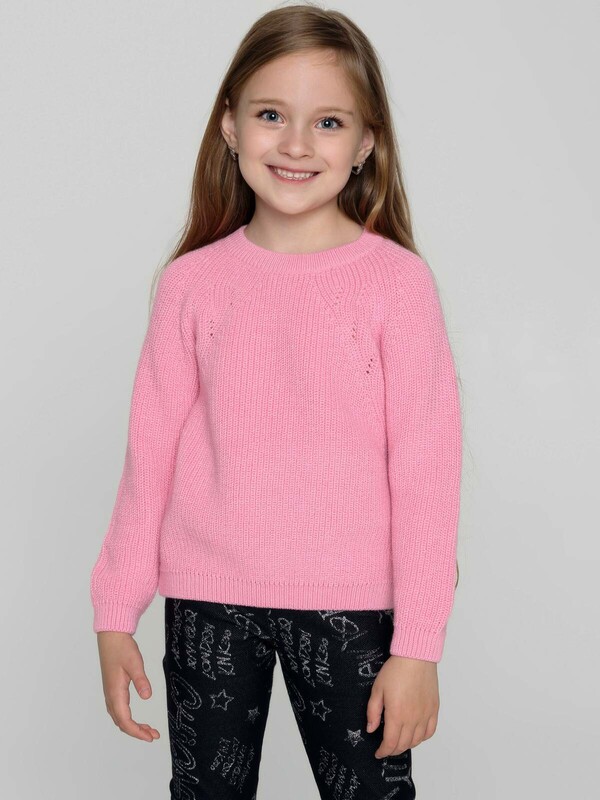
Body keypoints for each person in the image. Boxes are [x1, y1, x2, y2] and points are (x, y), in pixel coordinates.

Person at [90, 4, 463, 798]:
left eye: (328, 121)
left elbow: (427, 473)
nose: (296, 144)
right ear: (229, 125)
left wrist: (419, 645)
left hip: (354, 610)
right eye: (270, 115)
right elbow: (149, 456)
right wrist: (115, 611)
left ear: (366, 143)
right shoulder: (192, 284)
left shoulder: (397, 285)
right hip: (207, 606)